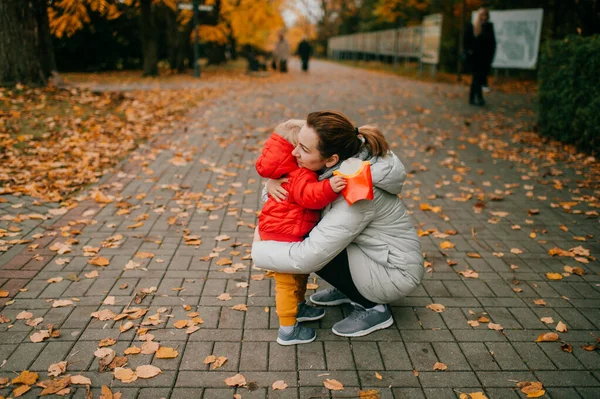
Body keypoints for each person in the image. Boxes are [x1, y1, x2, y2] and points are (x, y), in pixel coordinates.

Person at [252, 111, 424, 338]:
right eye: (297, 144)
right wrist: (273, 181)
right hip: (372, 253)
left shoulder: (359, 190)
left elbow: (309, 256)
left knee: (308, 239)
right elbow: (295, 195)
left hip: (393, 273)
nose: (294, 153)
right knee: (309, 230)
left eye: (303, 149)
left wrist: (259, 250)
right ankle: (349, 288)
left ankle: (373, 306)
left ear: (331, 159)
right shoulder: (341, 163)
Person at [255, 119, 347, 345]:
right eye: (298, 147)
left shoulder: (286, 172)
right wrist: (329, 188)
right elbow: (310, 196)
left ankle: (298, 307)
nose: (298, 152)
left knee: (299, 275)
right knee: (287, 282)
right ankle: (288, 330)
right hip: (283, 237)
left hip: (281, 232)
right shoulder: (301, 174)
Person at [464, 8, 496, 106]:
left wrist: (490, 56)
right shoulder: (472, 26)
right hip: (474, 58)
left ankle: (473, 98)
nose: (484, 17)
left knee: (478, 78)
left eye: (485, 15)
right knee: (477, 77)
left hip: (485, 58)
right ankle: (478, 98)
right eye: (482, 15)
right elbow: (466, 41)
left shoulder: (489, 27)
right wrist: (469, 51)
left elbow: (492, 43)